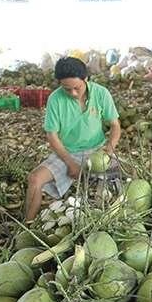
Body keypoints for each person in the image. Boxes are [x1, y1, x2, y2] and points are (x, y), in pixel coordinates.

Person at [25, 57, 121, 222]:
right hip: (67, 152)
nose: (73, 93)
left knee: (122, 181)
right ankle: (27, 225)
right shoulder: (55, 99)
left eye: (77, 88)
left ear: (86, 79)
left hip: (97, 150)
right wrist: (70, 163)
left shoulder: (101, 93)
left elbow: (115, 126)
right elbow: (52, 136)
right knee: (35, 179)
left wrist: (110, 148)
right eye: (66, 89)